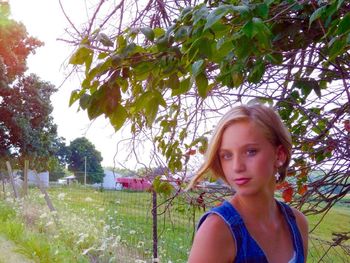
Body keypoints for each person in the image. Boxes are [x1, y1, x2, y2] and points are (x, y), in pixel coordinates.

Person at [187, 104, 308, 263]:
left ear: (279, 155)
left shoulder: (298, 223)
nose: (237, 166)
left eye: (250, 151)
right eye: (227, 155)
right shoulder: (217, 230)